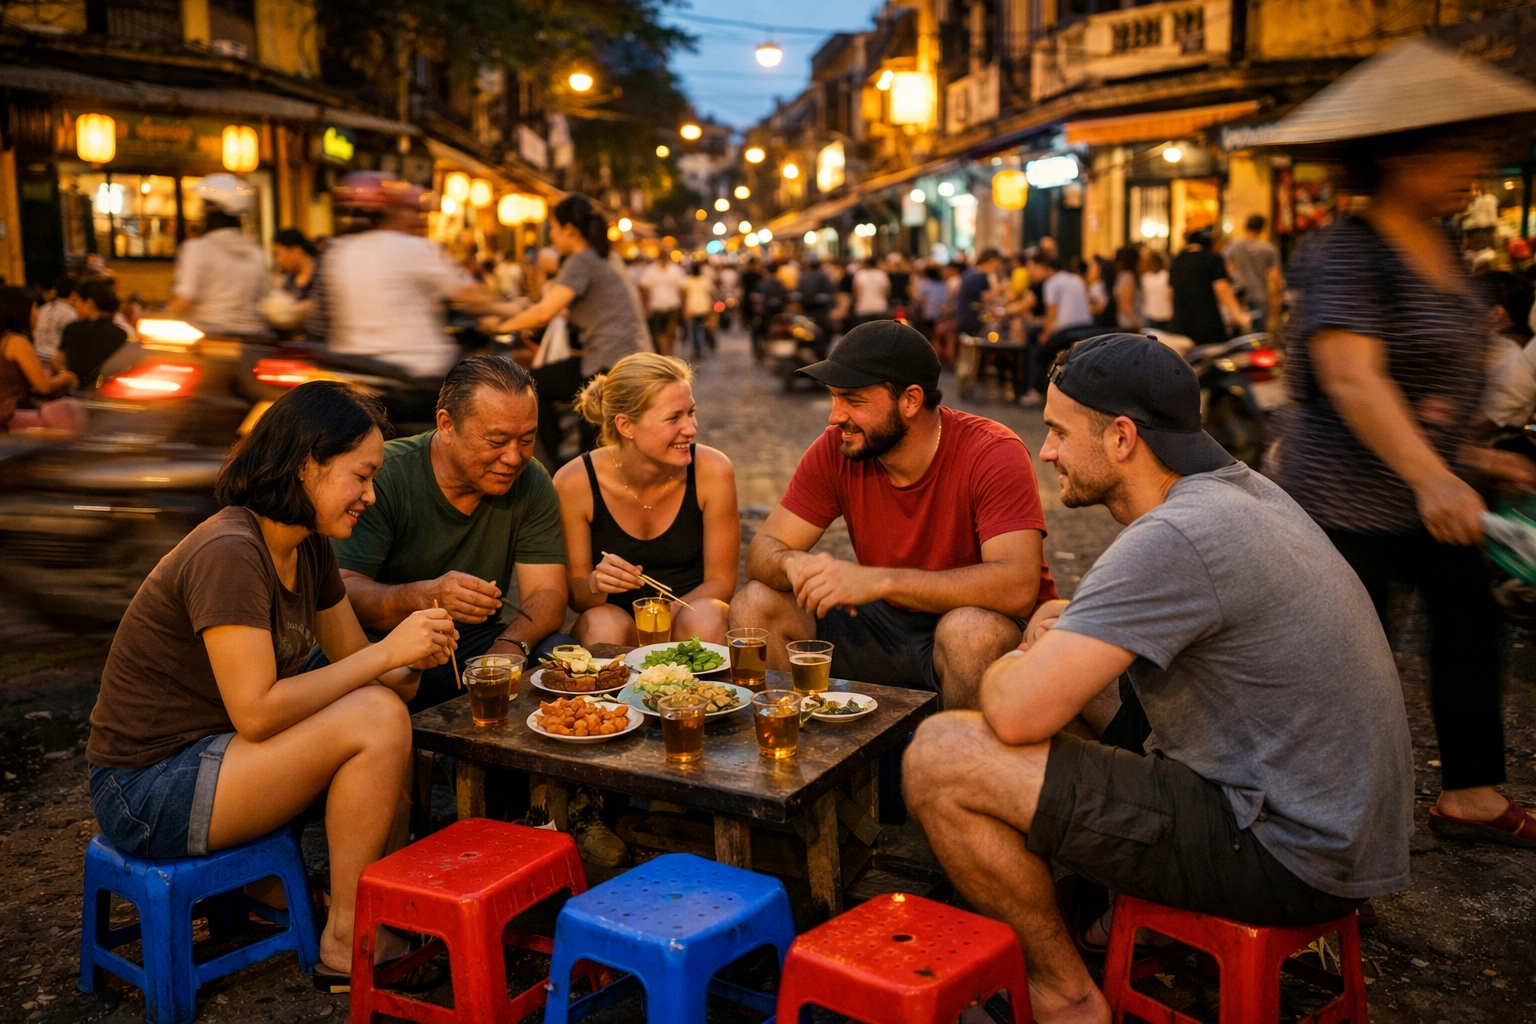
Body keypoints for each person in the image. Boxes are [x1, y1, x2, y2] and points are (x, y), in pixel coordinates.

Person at [904, 334, 1414, 1024]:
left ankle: (1063, 997)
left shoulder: (1176, 536)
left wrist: (1024, 658)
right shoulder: (1239, 491)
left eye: (1056, 431)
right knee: (1081, 667)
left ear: (1121, 437)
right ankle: (1093, 907)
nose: (1045, 451)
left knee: (943, 756)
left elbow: (1019, 715)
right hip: (1332, 825)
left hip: (1288, 852)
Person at [85, 381, 458, 986]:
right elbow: (258, 713)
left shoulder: (306, 547)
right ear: (308, 465)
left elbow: (374, 672)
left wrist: (420, 649)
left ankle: (348, 906)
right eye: (360, 476)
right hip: (146, 788)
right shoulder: (232, 549)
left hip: (218, 755)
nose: (370, 494)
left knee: (383, 707)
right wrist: (386, 658)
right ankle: (347, 941)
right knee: (375, 718)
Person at [1276, 128, 1536, 848]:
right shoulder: (1346, 249)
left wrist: (1474, 456)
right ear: (1399, 154)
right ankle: (1308, 822)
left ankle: (1472, 795)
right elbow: (1352, 375)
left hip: (1435, 491)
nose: (1475, 170)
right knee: (1344, 660)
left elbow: (1439, 375)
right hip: (1345, 497)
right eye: (1457, 153)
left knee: (1469, 634)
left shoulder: (1444, 243)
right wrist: (1432, 477)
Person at [730, 320, 1057, 708]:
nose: (834, 417)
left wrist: (879, 581)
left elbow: (1018, 588)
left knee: (970, 631)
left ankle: (954, 761)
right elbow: (762, 552)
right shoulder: (836, 447)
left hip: (982, 632)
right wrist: (792, 565)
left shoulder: (992, 452)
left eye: (853, 400)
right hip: (883, 627)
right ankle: (801, 753)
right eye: (834, 398)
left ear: (911, 401)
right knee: (754, 603)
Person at [325, 355, 573, 714]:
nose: (513, 457)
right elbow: (341, 590)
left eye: (527, 439)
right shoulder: (383, 476)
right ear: (446, 424)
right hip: (384, 643)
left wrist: (508, 648)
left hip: (477, 642)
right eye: (497, 440)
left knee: (559, 655)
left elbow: (547, 593)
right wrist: (424, 596)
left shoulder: (531, 481)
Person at [555, 352, 738, 646]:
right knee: (600, 624)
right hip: (615, 622)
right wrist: (596, 583)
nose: (691, 429)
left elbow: (721, 582)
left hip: (685, 614)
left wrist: (659, 617)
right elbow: (576, 595)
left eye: (690, 412)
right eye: (673, 418)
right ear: (626, 426)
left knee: (709, 616)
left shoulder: (712, 470)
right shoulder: (574, 482)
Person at [486, 195, 642, 459]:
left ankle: (556, 465)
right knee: (536, 384)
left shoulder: (581, 260)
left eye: (554, 229)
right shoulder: (598, 258)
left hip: (607, 364)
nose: (552, 236)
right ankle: (557, 459)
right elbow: (551, 305)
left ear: (569, 230)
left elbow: (544, 312)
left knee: (592, 452)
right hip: (615, 357)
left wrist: (497, 327)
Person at [317, 172, 511, 378]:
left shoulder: (337, 253)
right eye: (413, 212)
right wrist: (508, 308)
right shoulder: (413, 248)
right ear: (394, 212)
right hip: (418, 370)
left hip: (352, 367)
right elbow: (469, 295)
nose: (418, 220)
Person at [163, 174, 270, 335]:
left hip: (211, 341)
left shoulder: (197, 248)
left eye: (203, 205)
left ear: (211, 210)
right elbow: (265, 298)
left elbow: (185, 298)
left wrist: (162, 318)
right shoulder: (257, 254)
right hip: (254, 339)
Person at [1020, 252, 1094, 407]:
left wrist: (1045, 334)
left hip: (1066, 331)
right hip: (1087, 328)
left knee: (1039, 354)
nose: (1032, 272)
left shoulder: (1051, 283)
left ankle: (1036, 392)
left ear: (1043, 267)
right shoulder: (1076, 279)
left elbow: (1051, 314)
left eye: (1035, 268)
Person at [0, 287, 79, 431]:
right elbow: (43, 386)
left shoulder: (5, 339)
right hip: (9, 415)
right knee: (70, 421)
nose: (38, 313)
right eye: (35, 307)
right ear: (21, 310)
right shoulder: (17, 341)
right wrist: (66, 378)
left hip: (8, 412)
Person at [1169, 227, 1250, 347]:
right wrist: (1239, 317)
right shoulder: (1213, 259)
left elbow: (1169, 293)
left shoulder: (1177, 260)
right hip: (1207, 326)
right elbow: (1221, 288)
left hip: (1179, 325)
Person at [55, 278, 128, 388]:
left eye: (77, 302)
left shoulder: (72, 329)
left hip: (76, 393)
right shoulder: (121, 333)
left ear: (88, 303)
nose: (75, 307)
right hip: (109, 393)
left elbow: (57, 361)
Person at [1225, 214, 1283, 333]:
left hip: (1238, 295)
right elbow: (1275, 275)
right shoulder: (1269, 248)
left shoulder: (1233, 247)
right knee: (1258, 335)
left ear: (1245, 227)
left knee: (1240, 334)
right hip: (1260, 295)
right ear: (1262, 229)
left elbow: (1225, 268)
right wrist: (1279, 296)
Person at [640, 254, 685, 356]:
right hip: (655, 307)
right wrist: (646, 306)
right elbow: (644, 288)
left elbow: (682, 289)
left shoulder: (676, 270)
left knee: (671, 333)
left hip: (672, 306)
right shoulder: (650, 270)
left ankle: (669, 355)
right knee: (658, 334)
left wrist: (684, 306)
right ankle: (662, 354)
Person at [32, 274, 77, 362]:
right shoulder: (72, 314)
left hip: (36, 357)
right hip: (56, 362)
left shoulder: (42, 309)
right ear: (73, 295)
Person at [679, 263, 715, 358]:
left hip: (693, 307)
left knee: (695, 329)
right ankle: (704, 344)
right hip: (703, 307)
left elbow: (684, 294)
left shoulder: (687, 280)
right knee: (704, 327)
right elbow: (710, 292)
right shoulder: (705, 280)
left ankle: (697, 348)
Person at [1139, 248, 1173, 329]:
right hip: (1166, 313)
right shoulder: (1166, 275)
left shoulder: (1144, 277)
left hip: (1149, 313)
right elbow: (1170, 296)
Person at [1111, 246, 1143, 332]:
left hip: (1125, 323)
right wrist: (1140, 325)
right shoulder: (1128, 277)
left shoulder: (1122, 276)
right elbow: (1126, 307)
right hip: (1129, 325)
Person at [851, 259, 891, 325]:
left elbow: (856, 293)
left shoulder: (860, 274)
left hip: (863, 308)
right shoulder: (882, 274)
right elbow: (887, 293)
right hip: (880, 306)